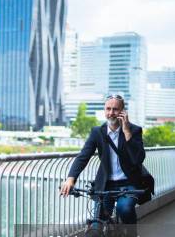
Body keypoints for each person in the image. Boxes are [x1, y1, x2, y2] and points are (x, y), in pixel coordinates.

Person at [59, 94, 146, 224]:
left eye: (115, 109)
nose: (111, 113)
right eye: (108, 109)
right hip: (105, 184)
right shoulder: (97, 132)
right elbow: (83, 156)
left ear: (123, 112)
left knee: (125, 209)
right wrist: (71, 179)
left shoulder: (134, 130)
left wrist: (127, 132)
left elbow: (138, 159)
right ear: (104, 110)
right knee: (97, 221)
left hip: (128, 183)